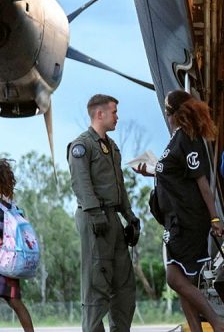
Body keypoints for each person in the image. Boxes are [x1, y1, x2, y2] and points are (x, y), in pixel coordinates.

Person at [134, 90, 224, 332]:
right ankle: (197, 329)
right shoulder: (178, 139)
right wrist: (153, 171)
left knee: (174, 279)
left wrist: (215, 217)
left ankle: (217, 325)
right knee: (182, 283)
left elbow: (202, 183)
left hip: (187, 219)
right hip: (175, 218)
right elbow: (176, 174)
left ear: (172, 114)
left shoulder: (188, 139)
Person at [67, 94, 137, 332]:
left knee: (124, 284)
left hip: (113, 219)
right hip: (93, 219)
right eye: (114, 112)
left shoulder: (111, 147)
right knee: (97, 283)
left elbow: (120, 185)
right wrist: (95, 214)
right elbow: (81, 183)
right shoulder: (82, 145)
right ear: (100, 114)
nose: (117, 117)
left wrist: (130, 217)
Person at [0, 159, 34, 332]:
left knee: (15, 303)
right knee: (16, 303)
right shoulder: (12, 207)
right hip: (11, 262)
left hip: (1, 261)